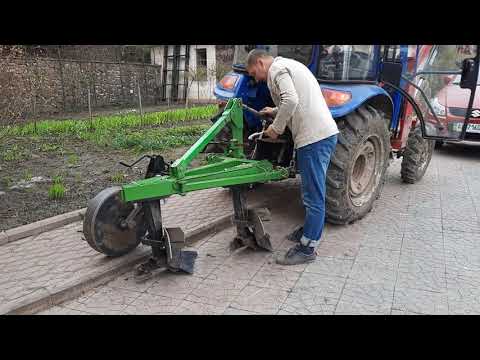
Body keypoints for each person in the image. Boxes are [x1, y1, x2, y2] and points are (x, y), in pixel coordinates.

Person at [245, 49, 339, 265]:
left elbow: (292, 100)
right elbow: (297, 100)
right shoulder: (288, 65)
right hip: (319, 135)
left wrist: (276, 129)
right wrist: (274, 110)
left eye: (253, 73)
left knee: (313, 194)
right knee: (309, 191)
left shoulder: (277, 70)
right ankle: (309, 230)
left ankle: (308, 249)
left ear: (260, 63)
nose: (256, 78)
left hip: (314, 138)